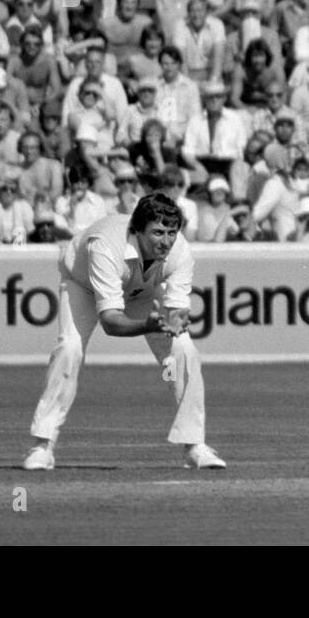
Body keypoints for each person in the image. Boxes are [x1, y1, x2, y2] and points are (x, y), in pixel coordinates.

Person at [21, 193, 225, 470]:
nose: (165, 241)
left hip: (144, 291)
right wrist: (149, 325)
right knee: (69, 348)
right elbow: (111, 322)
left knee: (184, 350)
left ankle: (195, 447)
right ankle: (42, 447)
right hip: (83, 286)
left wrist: (174, 323)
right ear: (137, 230)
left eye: (170, 233)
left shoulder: (180, 251)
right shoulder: (105, 246)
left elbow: (177, 312)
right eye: (157, 233)